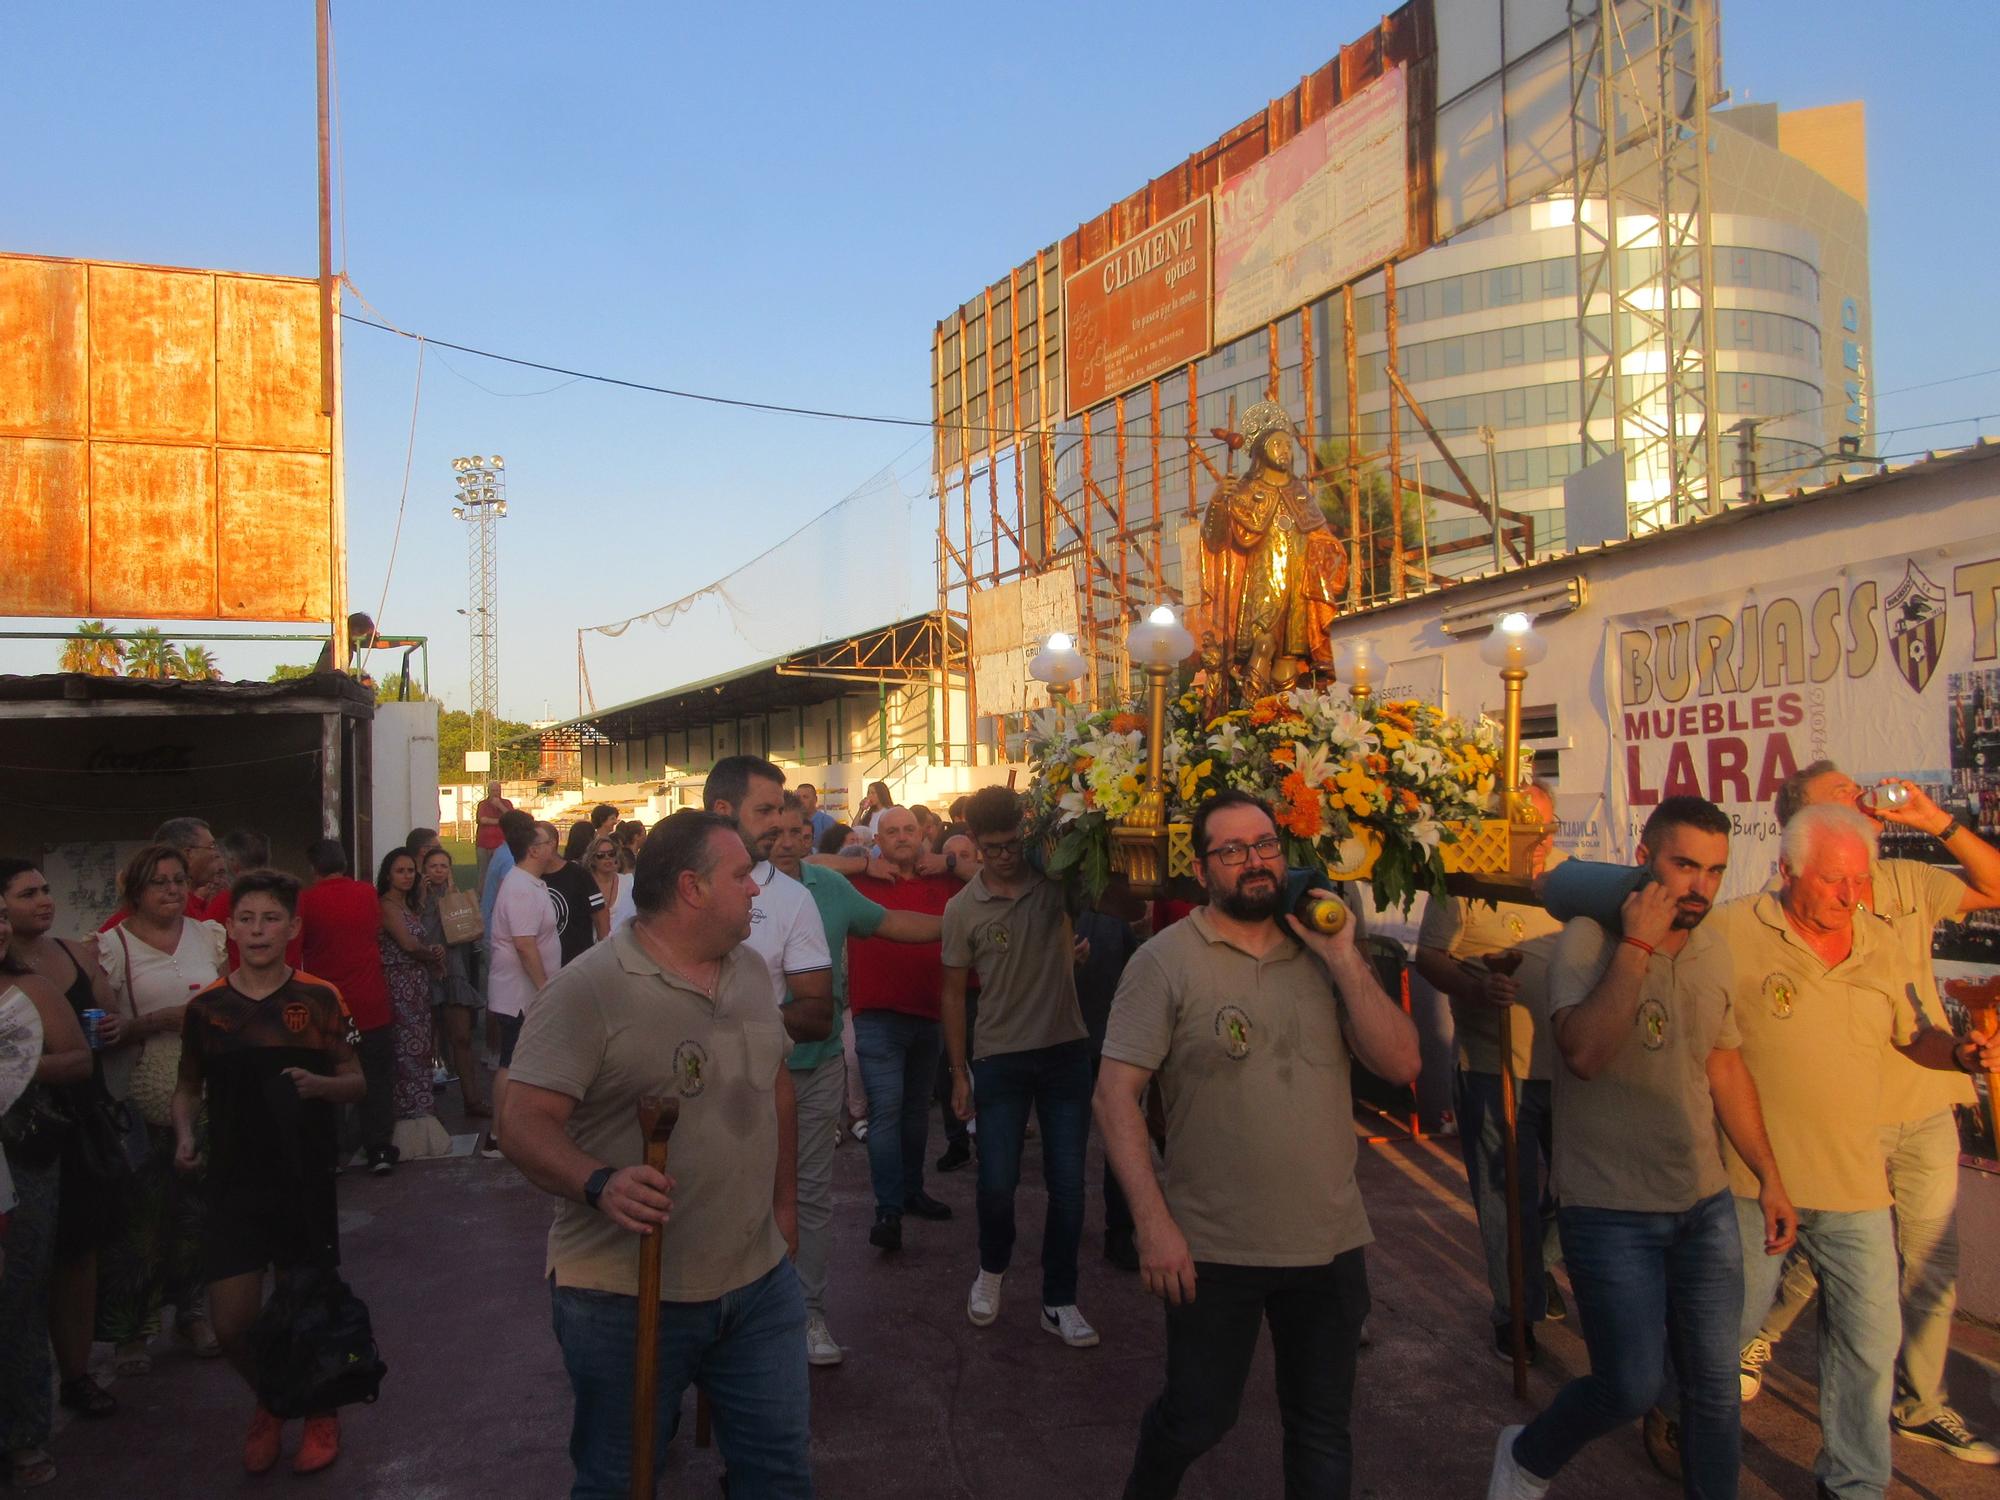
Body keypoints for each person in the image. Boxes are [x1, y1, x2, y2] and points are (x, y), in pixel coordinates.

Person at [1096, 790, 1420, 1498]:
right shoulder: (1164, 961)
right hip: (1212, 1248)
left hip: (1329, 1243)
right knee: (1198, 1418)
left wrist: (1342, 958)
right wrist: (1153, 1226)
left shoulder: (1325, 950)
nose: (1255, 862)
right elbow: (1114, 1096)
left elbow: (1402, 1065)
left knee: (1322, 1428)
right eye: (1233, 850)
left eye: (1267, 845)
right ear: (1202, 865)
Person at [1487, 796, 1797, 1500]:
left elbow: (1723, 1061)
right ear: (1643, 861)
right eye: (1683, 865)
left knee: (1713, 1390)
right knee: (1626, 1387)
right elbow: (1586, 1053)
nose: (1699, 886)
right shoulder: (1589, 942)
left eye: (1715, 871)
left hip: (1704, 1203)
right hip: (1609, 1208)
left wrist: (1769, 1176)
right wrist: (1636, 945)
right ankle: (1526, 1457)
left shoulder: (1715, 943)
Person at [1686, 804, 2000, 1498]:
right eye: (1833, 882)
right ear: (1787, 871)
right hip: (1752, 1181)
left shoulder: (1875, 940)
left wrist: (1957, 1052)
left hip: (1857, 1185)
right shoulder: (1731, 933)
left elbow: (1908, 1034)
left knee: (1869, 1340)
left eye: (1858, 882)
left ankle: (1853, 1484)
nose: (1849, 897)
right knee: (1726, 1334)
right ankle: (1676, 1414)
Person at [503, 810, 809, 1499]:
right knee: (618, 1478)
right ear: (692, 887)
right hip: (624, 1293)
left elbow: (776, 1090)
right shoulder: (589, 989)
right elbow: (521, 1123)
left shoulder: (753, 972)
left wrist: (784, 1210)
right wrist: (598, 1182)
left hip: (756, 1281)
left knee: (780, 1477)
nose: (757, 890)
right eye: (741, 877)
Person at [172, 870, 364, 1476]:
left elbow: (357, 1080)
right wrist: (183, 1135)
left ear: (294, 927)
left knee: (306, 1305)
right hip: (232, 1181)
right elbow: (187, 1088)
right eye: (246, 919)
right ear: (229, 927)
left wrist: (320, 1085)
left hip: (303, 1179)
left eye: (271, 918)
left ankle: (319, 1410)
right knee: (231, 1322)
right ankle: (274, 1398)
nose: (258, 930)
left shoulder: (321, 998)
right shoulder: (206, 1008)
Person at [771, 793, 940, 1365]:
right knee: (749, 1190)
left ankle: (810, 1315)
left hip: (816, 1066)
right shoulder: (744, 890)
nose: (789, 841)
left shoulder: (830, 890)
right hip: (750, 1069)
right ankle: (748, 1314)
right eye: (780, 831)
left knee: (812, 1193)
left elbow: (892, 922)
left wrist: (963, 922)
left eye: (799, 832)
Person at [1414, 782, 1567, 1360]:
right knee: (1508, 1200)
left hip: (1569, 1068)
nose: (1537, 840)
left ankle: (1537, 1268)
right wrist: (1477, 989)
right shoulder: (1466, 878)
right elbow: (1430, 958)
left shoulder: (1568, 878)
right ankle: (1515, 1313)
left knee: (1581, 1197)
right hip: (1494, 1068)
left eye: (1545, 829)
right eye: (1524, 828)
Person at [942, 785, 1097, 1347]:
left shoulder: (1056, 886)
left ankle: (1059, 1301)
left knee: (1070, 1188)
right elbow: (954, 994)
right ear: (974, 844)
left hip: (1065, 1052)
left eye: (1013, 843)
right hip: (999, 1058)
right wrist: (959, 1072)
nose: (1005, 854)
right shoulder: (961, 910)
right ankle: (991, 1269)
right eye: (993, 846)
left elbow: (1120, 900)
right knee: (997, 1184)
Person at [95, 844, 228, 1375]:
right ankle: (131, 1329)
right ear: (134, 892)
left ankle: (192, 1312)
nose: (172, 891)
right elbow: (105, 1032)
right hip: (143, 1093)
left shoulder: (208, 936)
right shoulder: (110, 948)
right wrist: (154, 1022)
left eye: (178, 881)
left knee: (197, 1212)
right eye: (159, 883)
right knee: (141, 1219)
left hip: (203, 1088)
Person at [0, 861, 125, 1419]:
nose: (41, 901)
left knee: (61, 1261)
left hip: (50, 1137)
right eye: (25, 895)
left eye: (45, 889)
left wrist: (18, 1069)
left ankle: (61, 1388)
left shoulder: (54, 970)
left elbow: (88, 1043)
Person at [0, 911, 93, 1490]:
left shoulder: (30, 989)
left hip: (23, 1161)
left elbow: (79, 1061)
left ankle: (25, 1435)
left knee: (18, 1297)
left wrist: (16, 1068)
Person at [846, 806, 958, 1255]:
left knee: (915, 1116)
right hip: (877, 1017)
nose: (902, 838)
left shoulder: (943, 880)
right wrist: (860, 861)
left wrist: (950, 861)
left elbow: (992, 872)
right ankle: (888, 1209)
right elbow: (807, 865)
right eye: (891, 832)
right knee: (888, 1113)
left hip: (929, 1014)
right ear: (879, 839)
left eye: (909, 830)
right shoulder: (860, 880)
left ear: (923, 833)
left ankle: (911, 1192)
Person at [1194, 400, 1347, 717]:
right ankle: (1252, 717)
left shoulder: (1300, 491)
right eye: (1277, 443)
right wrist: (1219, 502)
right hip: (1263, 581)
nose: (1284, 450)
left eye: (1288, 445)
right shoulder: (1246, 488)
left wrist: (1329, 551)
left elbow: (1320, 534)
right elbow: (1217, 538)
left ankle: (1286, 721)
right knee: (1262, 644)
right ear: (1260, 450)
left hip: (1299, 582)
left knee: (1290, 653)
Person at [701, 756, 832, 1046]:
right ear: (722, 810)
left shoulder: (794, 898)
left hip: (760, 1082)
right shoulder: (665, 881)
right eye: (765, 811)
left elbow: (818, 1017)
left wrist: (733, 1022)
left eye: (780, 810)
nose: (776, 822)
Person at [300, 839, 396, 1175]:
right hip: (370, 1000)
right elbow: (375, 930)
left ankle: (332, 1150)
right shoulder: (366, 894)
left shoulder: (305, 901)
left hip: (325, 1006)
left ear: (314, 868)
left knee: (326, 1077)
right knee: (377, 1077)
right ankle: (379, 1147)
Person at [1072, 890, 1144, 1272]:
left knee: (1119, 1135)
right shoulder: (1056, 903)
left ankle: (1119, 1230)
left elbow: (1135, 968)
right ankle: (1072, 1221)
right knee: (1071, 1140)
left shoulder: (1115, 910)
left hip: (1111, 1040)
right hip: (1068, 1039)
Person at [487, 819, 562, 1160]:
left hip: (528, 991)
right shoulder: (519, 886)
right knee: (511, 1060)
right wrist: (544, 987)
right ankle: (497, 1134)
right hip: (519, 994)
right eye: (549, 841)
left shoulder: (532, 883)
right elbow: (524, 944)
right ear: (533, 850)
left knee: (518, 1059)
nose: (554, 846)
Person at [375, 848, 442, 1132]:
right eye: (400, 871)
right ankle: (407, 1117)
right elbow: (408, 945)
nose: (406, 876)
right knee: (405, 1050)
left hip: (416, 985)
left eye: (410, 871)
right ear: (388, 875)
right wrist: (432, 955)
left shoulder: (406, 905)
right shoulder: (387, 906)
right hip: (399, 985)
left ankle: (419, 1112)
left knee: (419, 1048)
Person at [419, 846, 488, 1118]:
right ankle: (424, 1103)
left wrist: (451, 894)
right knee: (426, 1041)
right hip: (425, 972)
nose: (438, 870)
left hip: (453, 970)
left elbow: (468, 932)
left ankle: (472, 1099)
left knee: (462, 1037)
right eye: (433, 866)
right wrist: (423, 896)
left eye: (443, 866)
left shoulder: (456, 895)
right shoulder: (416, 899)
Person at [545, 826, 609, 968]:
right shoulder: (532, 877)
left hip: (577, 963)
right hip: (546, 965)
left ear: (552, 844)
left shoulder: (578, 874)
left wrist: (603, 956)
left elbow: (601, 915)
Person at [474, 780, 513, 889]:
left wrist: (500, 806)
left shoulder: (507, 803)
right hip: (484, 844)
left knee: (502, 872)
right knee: (484, 872)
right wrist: (501, 821)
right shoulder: (483, 804)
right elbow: (483, 820)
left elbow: (511, 818)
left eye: (498, 790)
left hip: (501, 845)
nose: (496, 793)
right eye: (493, 790)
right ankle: (482, 897)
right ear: (488, 792)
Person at [583, 836, 624, 936]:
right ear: (592, 859)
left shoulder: (629, 882)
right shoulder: (584, 885)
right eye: (601, 855)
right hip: (593, 947)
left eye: (611, 854)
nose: (607, 858)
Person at [796, 783, 837, 850]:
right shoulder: (793, 821)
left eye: (805, 797)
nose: (801, 800)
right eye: (798, 797)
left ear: (815, 799)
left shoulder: (827, 822)